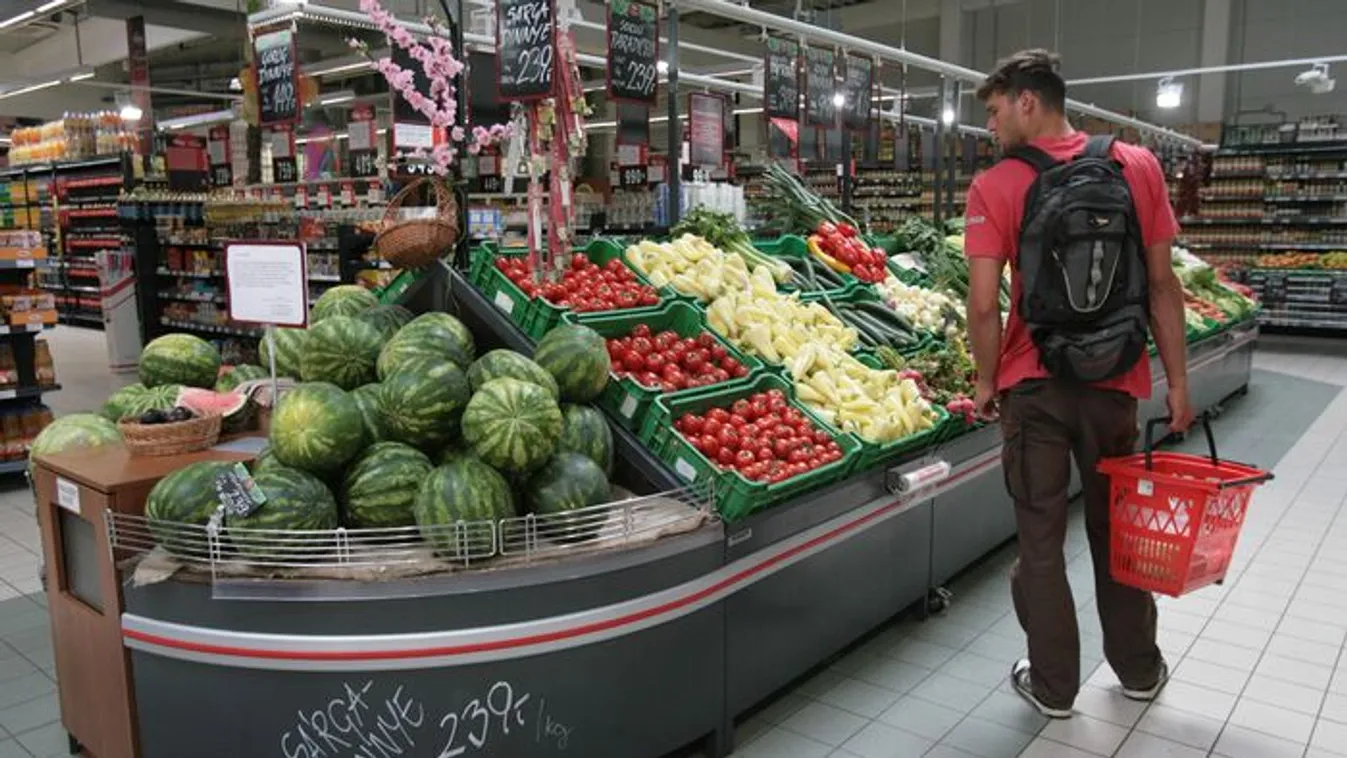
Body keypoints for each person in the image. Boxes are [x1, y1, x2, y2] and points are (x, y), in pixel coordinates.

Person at [962, 49, 1195, 719]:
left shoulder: (997, 184)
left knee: (1039, 539)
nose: (992, 124)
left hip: (1033, 388)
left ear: (1026, 101)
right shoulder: (1137, 165)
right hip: (1115, 380)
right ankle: (1139, 672)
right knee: (1114, 531)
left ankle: (1054, 687)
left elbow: (983, 305)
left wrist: (984, 381)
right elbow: (1160, 285)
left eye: (995, 109)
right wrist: (1175, 384)